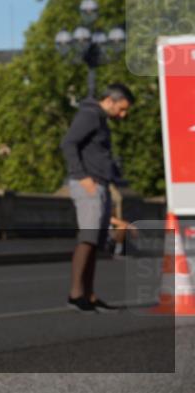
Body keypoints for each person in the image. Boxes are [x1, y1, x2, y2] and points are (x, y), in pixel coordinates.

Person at [61, 83, 134, 312]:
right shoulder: (90, 115)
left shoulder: (100, 119)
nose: (123, 115)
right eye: (121, 109)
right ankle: (76, 295)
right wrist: (82, 177)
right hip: (89, 185)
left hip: (100, 184)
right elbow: (68, 143)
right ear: (110, 100)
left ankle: (89, 295)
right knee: (88, 238)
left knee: (95, 242)